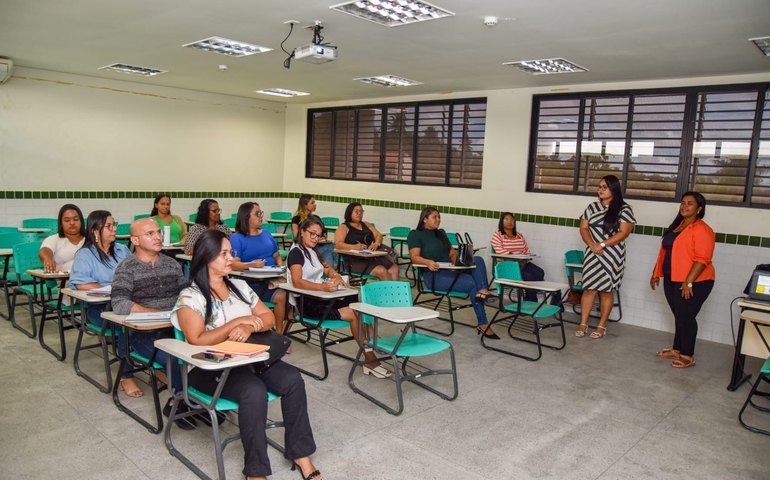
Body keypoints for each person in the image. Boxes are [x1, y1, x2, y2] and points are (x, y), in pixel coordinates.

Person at [172, 230, 321, 480]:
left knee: (293, 379)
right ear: (206, 258)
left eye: (231, 252)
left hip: (250, 359)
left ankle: (301, 453)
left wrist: (250, 326)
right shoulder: (192, 296)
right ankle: (256, 472)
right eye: (224, 254)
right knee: (253, 391)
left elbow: (269, 317)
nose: (231, 258)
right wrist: (237, 322)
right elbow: (196, 339)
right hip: (210, 368)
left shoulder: (239, 286)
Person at [110, 218, 193, 427]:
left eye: (158, 232)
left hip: (176, 327)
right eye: (150, 234)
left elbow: (186, 293)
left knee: (207, 352)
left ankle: (201, 397)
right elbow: (119, 302)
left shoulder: (172, 263)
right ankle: (181, 401)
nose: (158, 237)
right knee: (175, 357)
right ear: (135, 240)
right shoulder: (127, 267)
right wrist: (154, 312)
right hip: (145, 333)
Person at [287, 217, 391, 378]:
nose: (315, 238)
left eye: (318, 235)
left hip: (321, 297)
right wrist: (322, 286)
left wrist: (336, 275)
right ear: (301, 232)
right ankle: (370, 359)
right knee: (353, 313)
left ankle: (371, 340)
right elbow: (297, 281)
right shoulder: (296, 253)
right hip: (307, 303)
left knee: (358, 298)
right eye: (312, 234)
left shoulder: (312, 251)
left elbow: (326, 269)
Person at [69, 210, 135, 394]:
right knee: (124, 325)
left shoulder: (122, 250)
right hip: (97, 309)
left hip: (123, 302)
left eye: (114, 224)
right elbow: (81, 284)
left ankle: (159, 367)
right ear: (96, 231)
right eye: (109, 226)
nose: (114, 229)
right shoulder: (85, 254)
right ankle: (127, 375)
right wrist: (113, 290)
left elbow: (135, 274)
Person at [407, 207, 498, 338]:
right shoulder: (415, 234)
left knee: (477, 259)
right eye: (434, 217)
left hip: (450, 270)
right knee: (472, 283)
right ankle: (483, 322)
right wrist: (428, 262)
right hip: (433, 275)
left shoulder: (441, 233)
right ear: (425, 219)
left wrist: (459, 263)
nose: (438, 220)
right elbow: (414, 257)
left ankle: (483, 291)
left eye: (439, 217)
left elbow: (452, 253)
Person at [650, 192, 715, 369]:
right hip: (672, 278)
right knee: (679, 314)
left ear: (699, 208)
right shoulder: (678, 226)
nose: (685, 206)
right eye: (683, 203)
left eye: (690, 204)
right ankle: (677, 349)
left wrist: (688, 282)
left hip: (696, 281)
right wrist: (656, 273)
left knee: (686, 316)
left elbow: (703, 259)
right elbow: (666, 252)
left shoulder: (702, 229)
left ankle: (688, 355)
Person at [576, 175, 635, 339]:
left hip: (612, 255)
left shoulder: (624, 209)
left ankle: (601, 326)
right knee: (589, 289)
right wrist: (592, 245)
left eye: (604, 187)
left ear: (614, 189)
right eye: (599, 186)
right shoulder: (592, 207)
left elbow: (624, 233)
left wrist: (601, 245)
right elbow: (583, 228)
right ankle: (583, 323)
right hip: (592, 252)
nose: (600, 190)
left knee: (606, 290)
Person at [230, 202, 288, 331]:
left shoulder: (266, 234)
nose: (261, 216)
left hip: (271, 281)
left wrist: (279, 266)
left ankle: (280, 333)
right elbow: (233, 264)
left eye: (261, 213)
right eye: (257, 214)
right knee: (282, 297)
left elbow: (277, 255)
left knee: (287, 297)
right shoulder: (237, 238)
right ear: (246, 217)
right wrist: (250, 265)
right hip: (250, 285)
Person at [490, 212, 552, 302]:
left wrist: (526, 255)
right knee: (529, 276)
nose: (510, 222)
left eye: (512, 220)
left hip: (522, 263)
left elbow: (526, 250)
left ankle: (529, 296)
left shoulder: (519, 235)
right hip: (508, 266)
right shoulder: (498, 235)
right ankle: (531, 301)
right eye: (506, 219)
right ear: (501, 222)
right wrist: (513, 255)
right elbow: (499, 250)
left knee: (540, 272)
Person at [334, 202, 399, 281]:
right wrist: (355, 247)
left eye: (361, 212)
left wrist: (376, 243)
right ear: (349, 212)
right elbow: (338, 244)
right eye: (356, 211)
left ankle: (394, 292)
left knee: (394, 268)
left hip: (371, 257)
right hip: (354, 261)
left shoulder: (366, 224)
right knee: (382, 271)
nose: (359, 214)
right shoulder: (343, 227)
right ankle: (390, 292)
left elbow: (378, 236)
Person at [39, 203, 85, 273]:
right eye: (67, 220)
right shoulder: (54, 239)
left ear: (81, 221)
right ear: (61, 223)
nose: (72, 223)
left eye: (76, 219)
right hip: (64, 281)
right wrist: (47, 259)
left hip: (91, 279)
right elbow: (45, 250)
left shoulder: (90, 238)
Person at [291, 194, 334, 268]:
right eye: (312, 203)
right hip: (306, 247)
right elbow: (296, 236)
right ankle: (330, 268)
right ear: (305, 205)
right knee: (328, 249)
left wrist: (321, 238)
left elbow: (324, 233)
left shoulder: (315, 218)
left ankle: (330, 269)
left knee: (330, 245)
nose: (315, 204)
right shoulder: (296, 219)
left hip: (318, 245)